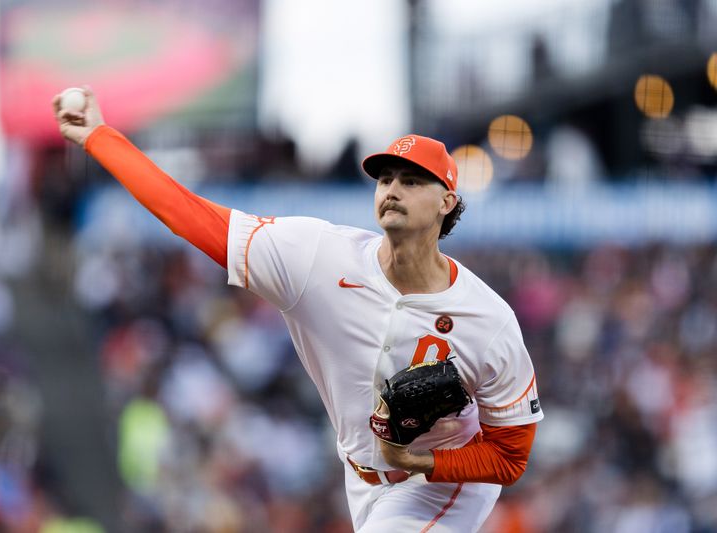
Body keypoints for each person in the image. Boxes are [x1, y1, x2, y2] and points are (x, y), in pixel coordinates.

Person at [53, 88, 543, 532]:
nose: (392, 188)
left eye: (412, 181)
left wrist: (421, 463)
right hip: (362, 477)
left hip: (447, 480)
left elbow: (509, 457)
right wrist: (100, 136)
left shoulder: (488, 320)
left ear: (447, 202)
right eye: (385, 177)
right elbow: (187, 213)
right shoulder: (316, 257)